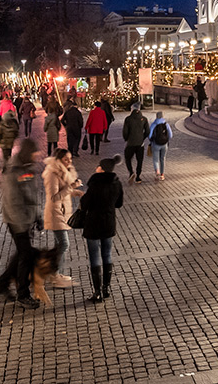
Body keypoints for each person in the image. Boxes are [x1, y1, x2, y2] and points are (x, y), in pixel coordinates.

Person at [0, 138, 44, 308]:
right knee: (27, 255)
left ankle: (2, 283)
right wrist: (21, 225)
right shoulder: (13, 171)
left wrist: (38, 216)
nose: (37, 156)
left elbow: (32, 195)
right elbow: (12, 201)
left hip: (27, 219)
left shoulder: (27, 168)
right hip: (17, 221)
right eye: (35, 153)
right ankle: (23, 294)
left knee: (22, 254)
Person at [80, 156, 124, 303]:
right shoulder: (116, 183)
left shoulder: (94, 184)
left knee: (94, 257)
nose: (96, 167)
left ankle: (97, 292)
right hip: (109, 223)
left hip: (93, 224)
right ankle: (106, 289)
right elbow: (119, 203)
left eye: (98, 166)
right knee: (107, 255)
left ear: (102, 168)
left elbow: (85, 204)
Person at [42, 148, 83, 288]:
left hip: (63, 212)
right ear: (58, 160)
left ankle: (56, 273)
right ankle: (53, 274)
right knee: (64, 244)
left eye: (70, 159)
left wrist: (75, 192)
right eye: (66, 159)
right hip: (55, 213)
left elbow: (63, 192)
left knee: (59, 245)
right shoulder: (52, 174)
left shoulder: (64, 172)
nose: (69, 162)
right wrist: (72, 187)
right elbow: (54, 197)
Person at [122, 104, 150, 183]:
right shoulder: (144, 119)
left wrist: (126, 138)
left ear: (132, 109)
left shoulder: (128, 119)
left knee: (127, 158)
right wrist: (142, 138)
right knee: (140, 160)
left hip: (130, 143)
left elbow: (125, 132)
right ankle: (138, 176)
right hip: (140, 144)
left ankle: (131, 172)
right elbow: (147, 131)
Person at [148, 111, 173, 180]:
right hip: (164, 144)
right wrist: (166, 139)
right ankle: (162, 175)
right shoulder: (166, 124)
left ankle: (157, 171)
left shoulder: (154, 124)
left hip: (156, 144)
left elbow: (149, 135)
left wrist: (152, 140)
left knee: (155, 159)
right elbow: (171, 135)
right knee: (162, 159)